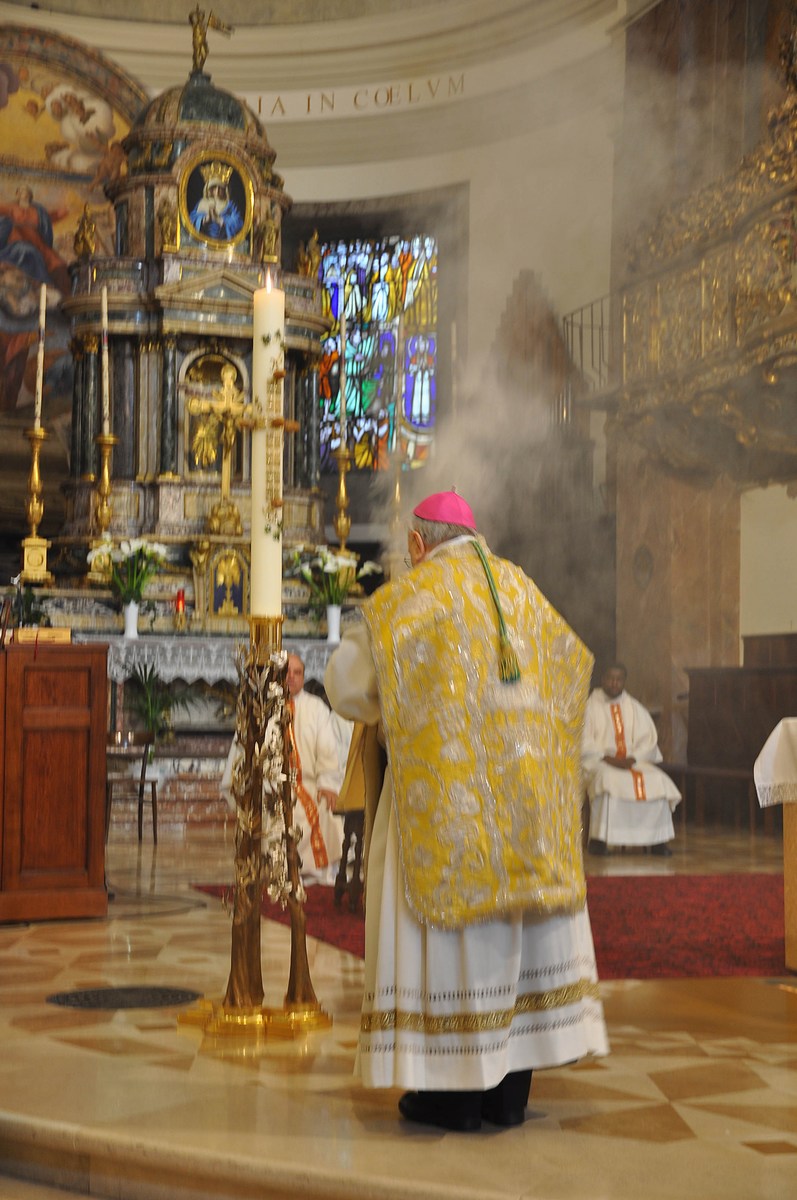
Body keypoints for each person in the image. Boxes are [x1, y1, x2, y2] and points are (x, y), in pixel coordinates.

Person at [325, 489, 608, 1132]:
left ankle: (450, 1095)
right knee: (517, 940)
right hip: (531, 811)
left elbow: (348, 687)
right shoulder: (524, 592)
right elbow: (572, 672)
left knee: (453, 940)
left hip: (445, 813)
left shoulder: (411, 599)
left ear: (418, 544)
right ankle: (507, 1096)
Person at [220, 653, 345, 885]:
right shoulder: (262, 707)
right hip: (270, 784)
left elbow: (328, 752)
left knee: (326, 806)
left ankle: (316, 871)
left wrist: (327, 783)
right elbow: (243, 750)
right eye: (287, 672)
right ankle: (274, 871)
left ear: (304, 677)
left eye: (297, 673)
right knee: (267, 809)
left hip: (308, 784)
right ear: (277, 675)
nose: (292, 677)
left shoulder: (317, 709)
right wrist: (247, 785)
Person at [581, 662, 682, 857]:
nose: (614, 683)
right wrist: (607, 758)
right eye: (610, 679)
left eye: (619, 680)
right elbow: (583, 740)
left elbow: (649, 741)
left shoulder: (634, 707)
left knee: (658, 780)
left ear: (624, 682)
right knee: (608, 781)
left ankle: (657, 841)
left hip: (632, 762)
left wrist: (633, 758)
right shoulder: (590, 706)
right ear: (603, 680)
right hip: (600, 762)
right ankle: (599, 841)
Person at [189, 163, 243, 241]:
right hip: (202, 240)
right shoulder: (202, 203)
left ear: (225, 190)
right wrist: (205, 219)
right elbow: (191, 219)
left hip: (223, 241)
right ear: (208, 189)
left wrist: (219, 220)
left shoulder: (230, 204)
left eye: (220, 188)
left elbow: (238, 222)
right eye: (214, 187)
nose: (217, 191)